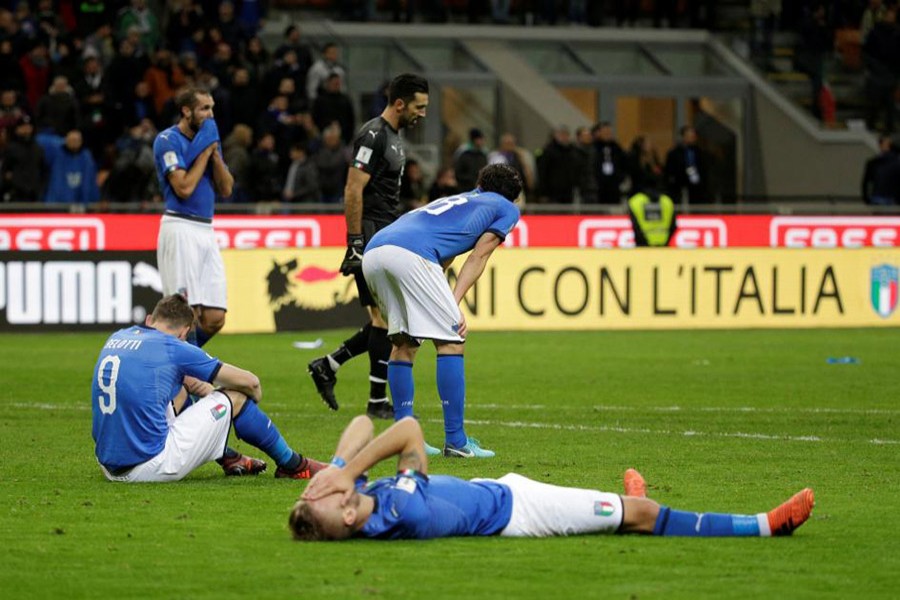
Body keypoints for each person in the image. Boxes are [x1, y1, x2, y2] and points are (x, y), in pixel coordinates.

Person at [290, 415, 815, 541]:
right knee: (643, 515)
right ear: (348, 517)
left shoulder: (362, 502)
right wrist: (348, 472)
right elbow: (407, 430)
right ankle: (765, 525)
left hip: (501, 488)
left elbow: (361, 422)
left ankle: (621, 504)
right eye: (329, 499)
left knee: (622, 508)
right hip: (522, 514)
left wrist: (335, 469)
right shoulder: (401, 510)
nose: (333, 493)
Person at [362, 163, 522, 458]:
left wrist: (443, 303)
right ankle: (456, 442)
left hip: (375, 252)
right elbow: (478, 257)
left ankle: (404, 437)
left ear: (480, 184)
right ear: (513, 197)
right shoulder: (506, 208)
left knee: (404, 343)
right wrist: (453, 303)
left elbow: (442, 257)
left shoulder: (459, 199)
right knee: (452, 340)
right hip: (411, 255)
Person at [92, 294, 327, 483]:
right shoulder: (174, 347)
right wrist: (248, 400)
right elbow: (251, 382)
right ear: (184, 332)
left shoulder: (118, 336)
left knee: (180, 389)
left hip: (108, 465)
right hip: (148, 466)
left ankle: (230, 457)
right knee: (236, 397)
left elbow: (188, 383)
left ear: (149, 319)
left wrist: (208, 395)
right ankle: (293, 465)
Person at [154, 87, 263, 476]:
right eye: (204, 108)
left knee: (214, 316)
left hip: (206, 230)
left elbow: (227, 188)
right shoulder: (167, 140)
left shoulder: (208, 142)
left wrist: (214, 153)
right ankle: (182, 384)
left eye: (213, 107)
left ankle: (182, 372)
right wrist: (203, 151)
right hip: (179, 227)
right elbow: (183, 187)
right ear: (187, 111)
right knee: (183, 315)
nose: (211, 113)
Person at [307, 73, 429, 419]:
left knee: (384, 318)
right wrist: (356, 242)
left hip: (386, 230)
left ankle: (329, 366)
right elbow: (352, 188)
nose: (422, 114)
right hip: (372, 232)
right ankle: (374, 400)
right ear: (400, 104)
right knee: (383, 319)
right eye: (419, 107)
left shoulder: (394, 137)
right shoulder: (373, 135)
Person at [665, 125, 708, 204]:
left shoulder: (699, 152)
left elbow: (703, 169)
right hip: (679, 186)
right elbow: (670, 170)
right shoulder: (674, 153)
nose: (692, 138)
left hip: (697, 188)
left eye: (693, 136)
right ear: (684, 137)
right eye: (689, 136)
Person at [862, 134, 897, 205]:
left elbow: (866, 182)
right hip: (884, 198)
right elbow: (866, 182)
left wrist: (867, 198)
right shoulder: (873, 163)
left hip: (882, 198)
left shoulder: (873, 163)